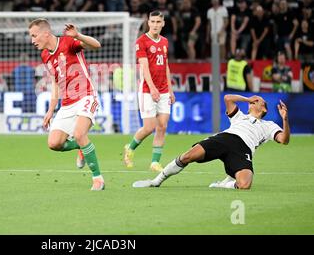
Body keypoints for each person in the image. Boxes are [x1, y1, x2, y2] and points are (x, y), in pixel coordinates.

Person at [132, 94, 290, 190]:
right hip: (225, 138)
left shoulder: (269, 126)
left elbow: (284, 140)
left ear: (264, 110)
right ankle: (156, 181)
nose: (254, 102)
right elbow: (228, 98)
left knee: (245, 185)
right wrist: (248, 98)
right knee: (188, 156)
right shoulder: (239, 116)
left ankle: (225, 184)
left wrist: (285, 119)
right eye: (252, 101)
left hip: (243, 150)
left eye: (258, 101)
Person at [28, 18, 104, 191]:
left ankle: (98, 178)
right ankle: (82, 147)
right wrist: (50, 110)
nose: (32, 41)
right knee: (54, 143)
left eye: (34, 36)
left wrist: (78, 35)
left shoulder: (68, 42)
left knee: (79, 133)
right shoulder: (45, 55)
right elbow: (55, 82)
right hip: (68, 103)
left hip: (86, 96)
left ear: (46, 33)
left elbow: (96, 45)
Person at [123, 11, 176, 172]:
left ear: (163, 23)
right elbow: (144, 67)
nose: (155, 25)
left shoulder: (165, 42)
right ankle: (130, 148)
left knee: (162, 126)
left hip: (164, 90)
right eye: (152, 21)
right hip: (147, 90)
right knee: (149, 127)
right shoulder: (142, 41)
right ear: (148, 22)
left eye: (158, 22)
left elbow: (165, 66)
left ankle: (154, 162)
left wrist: (171, 90)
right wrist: (152, 88)